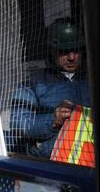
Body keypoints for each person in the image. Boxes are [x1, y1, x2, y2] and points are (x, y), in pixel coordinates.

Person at [10, 18, 90, 158]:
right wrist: (54, 120)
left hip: (89, 164)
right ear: (53, 51)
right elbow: (18, 123)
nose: (71, 57)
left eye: (76, 50)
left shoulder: (91, 79)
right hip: (51, 165)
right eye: (64, 51)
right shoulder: (35, 82)